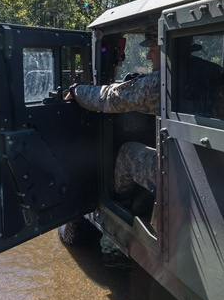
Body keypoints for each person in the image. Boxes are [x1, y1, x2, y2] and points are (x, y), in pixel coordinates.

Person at [65, 35, 159, 201]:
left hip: (176, 172)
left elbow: (109, 98)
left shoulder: (159, 83)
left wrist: (75, 91)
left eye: (152, 50)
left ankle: (121, 200)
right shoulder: (205, 71)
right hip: (205, 163)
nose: (148, 56)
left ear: (166, 52)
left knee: (127, 151)